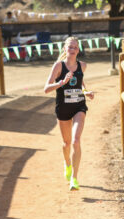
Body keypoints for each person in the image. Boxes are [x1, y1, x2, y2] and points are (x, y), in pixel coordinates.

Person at [44, 37, 94, 191]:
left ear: (78, 50)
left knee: (76, 141)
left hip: (79, 106)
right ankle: (67, 164)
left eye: (75, 47)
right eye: (70, 47)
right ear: (65, 49)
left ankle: (74, 178)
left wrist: (86, 92)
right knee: (66, 143)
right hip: (63, 108)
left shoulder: (82, 66)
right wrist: (61, 83)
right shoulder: (58, 66)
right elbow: (46, 88)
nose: (72, 50)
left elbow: (81, 83)